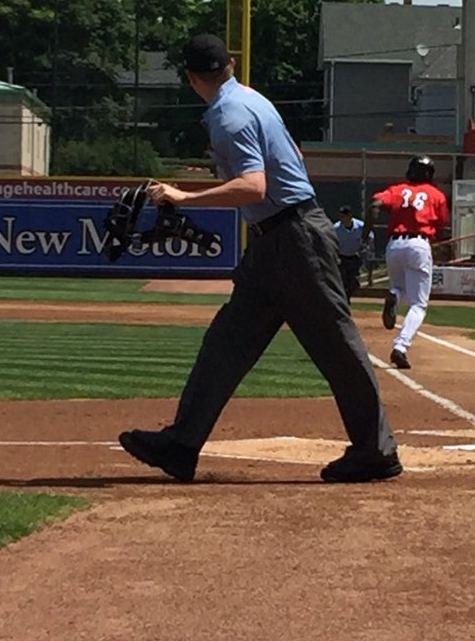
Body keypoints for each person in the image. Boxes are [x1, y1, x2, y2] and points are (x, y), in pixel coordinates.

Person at [118, 33, 401, 485]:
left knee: (336, 345)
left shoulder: (228, 114)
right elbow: (292, 155)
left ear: (191, 78)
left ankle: (375, 451)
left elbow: (254, 186)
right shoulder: (252, 100)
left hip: (294, 240)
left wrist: (184, 196)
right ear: (230, 64)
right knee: (226, 343)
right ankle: (181, 444)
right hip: (277, 241)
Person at [368, 155, 449, 371]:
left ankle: (394, 295)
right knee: (418, 304)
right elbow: (441, 223)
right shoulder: (436, 194)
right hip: (419, 243)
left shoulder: (397, 190)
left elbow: (376, 203)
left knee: (398, 287)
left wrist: (366, 231)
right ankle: (400, 346)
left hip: (394, 244)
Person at [333, 205, 365, 303]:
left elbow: (370, 237)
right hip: (341, 258)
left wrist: (364, 250)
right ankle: (344, 301)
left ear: (349, 216)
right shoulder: (336, 228)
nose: (341, 219)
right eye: (340, 216)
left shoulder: (360, 226)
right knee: (342, 282)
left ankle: (346, 297)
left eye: (343, 216)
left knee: (354, 283)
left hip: (355, 257)